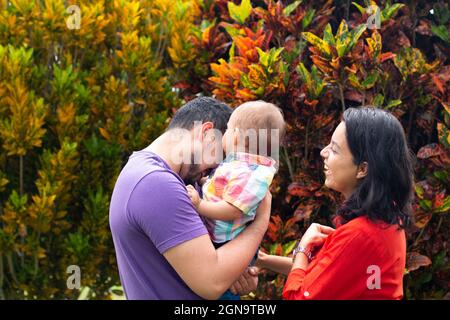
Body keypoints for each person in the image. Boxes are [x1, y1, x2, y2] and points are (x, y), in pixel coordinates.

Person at [109, 97, 271, 299]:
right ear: (207, 134)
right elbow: (212, 282)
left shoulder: (158, 176)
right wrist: (261, 223)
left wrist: (236, 273)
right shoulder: (156, 184)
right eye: (221, 155)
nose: (216, 169)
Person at [255, 107, 414, 300]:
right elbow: (324, 273)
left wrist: (303, 248)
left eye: (335, 149)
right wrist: (261, 260)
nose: (323, 152)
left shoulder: (360, 234)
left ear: (362, 169)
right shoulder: (385, 219)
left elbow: (299, 296)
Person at [186, 101, 286, 299]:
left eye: (229, 129)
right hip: (223, 238)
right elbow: (224, 187)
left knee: (226, 290)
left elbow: (233, 209)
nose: (223, 135)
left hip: (227, 242)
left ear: (241, 138)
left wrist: (200, 205)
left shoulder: (250, 173)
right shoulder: (239, 165)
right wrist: (207, 181)